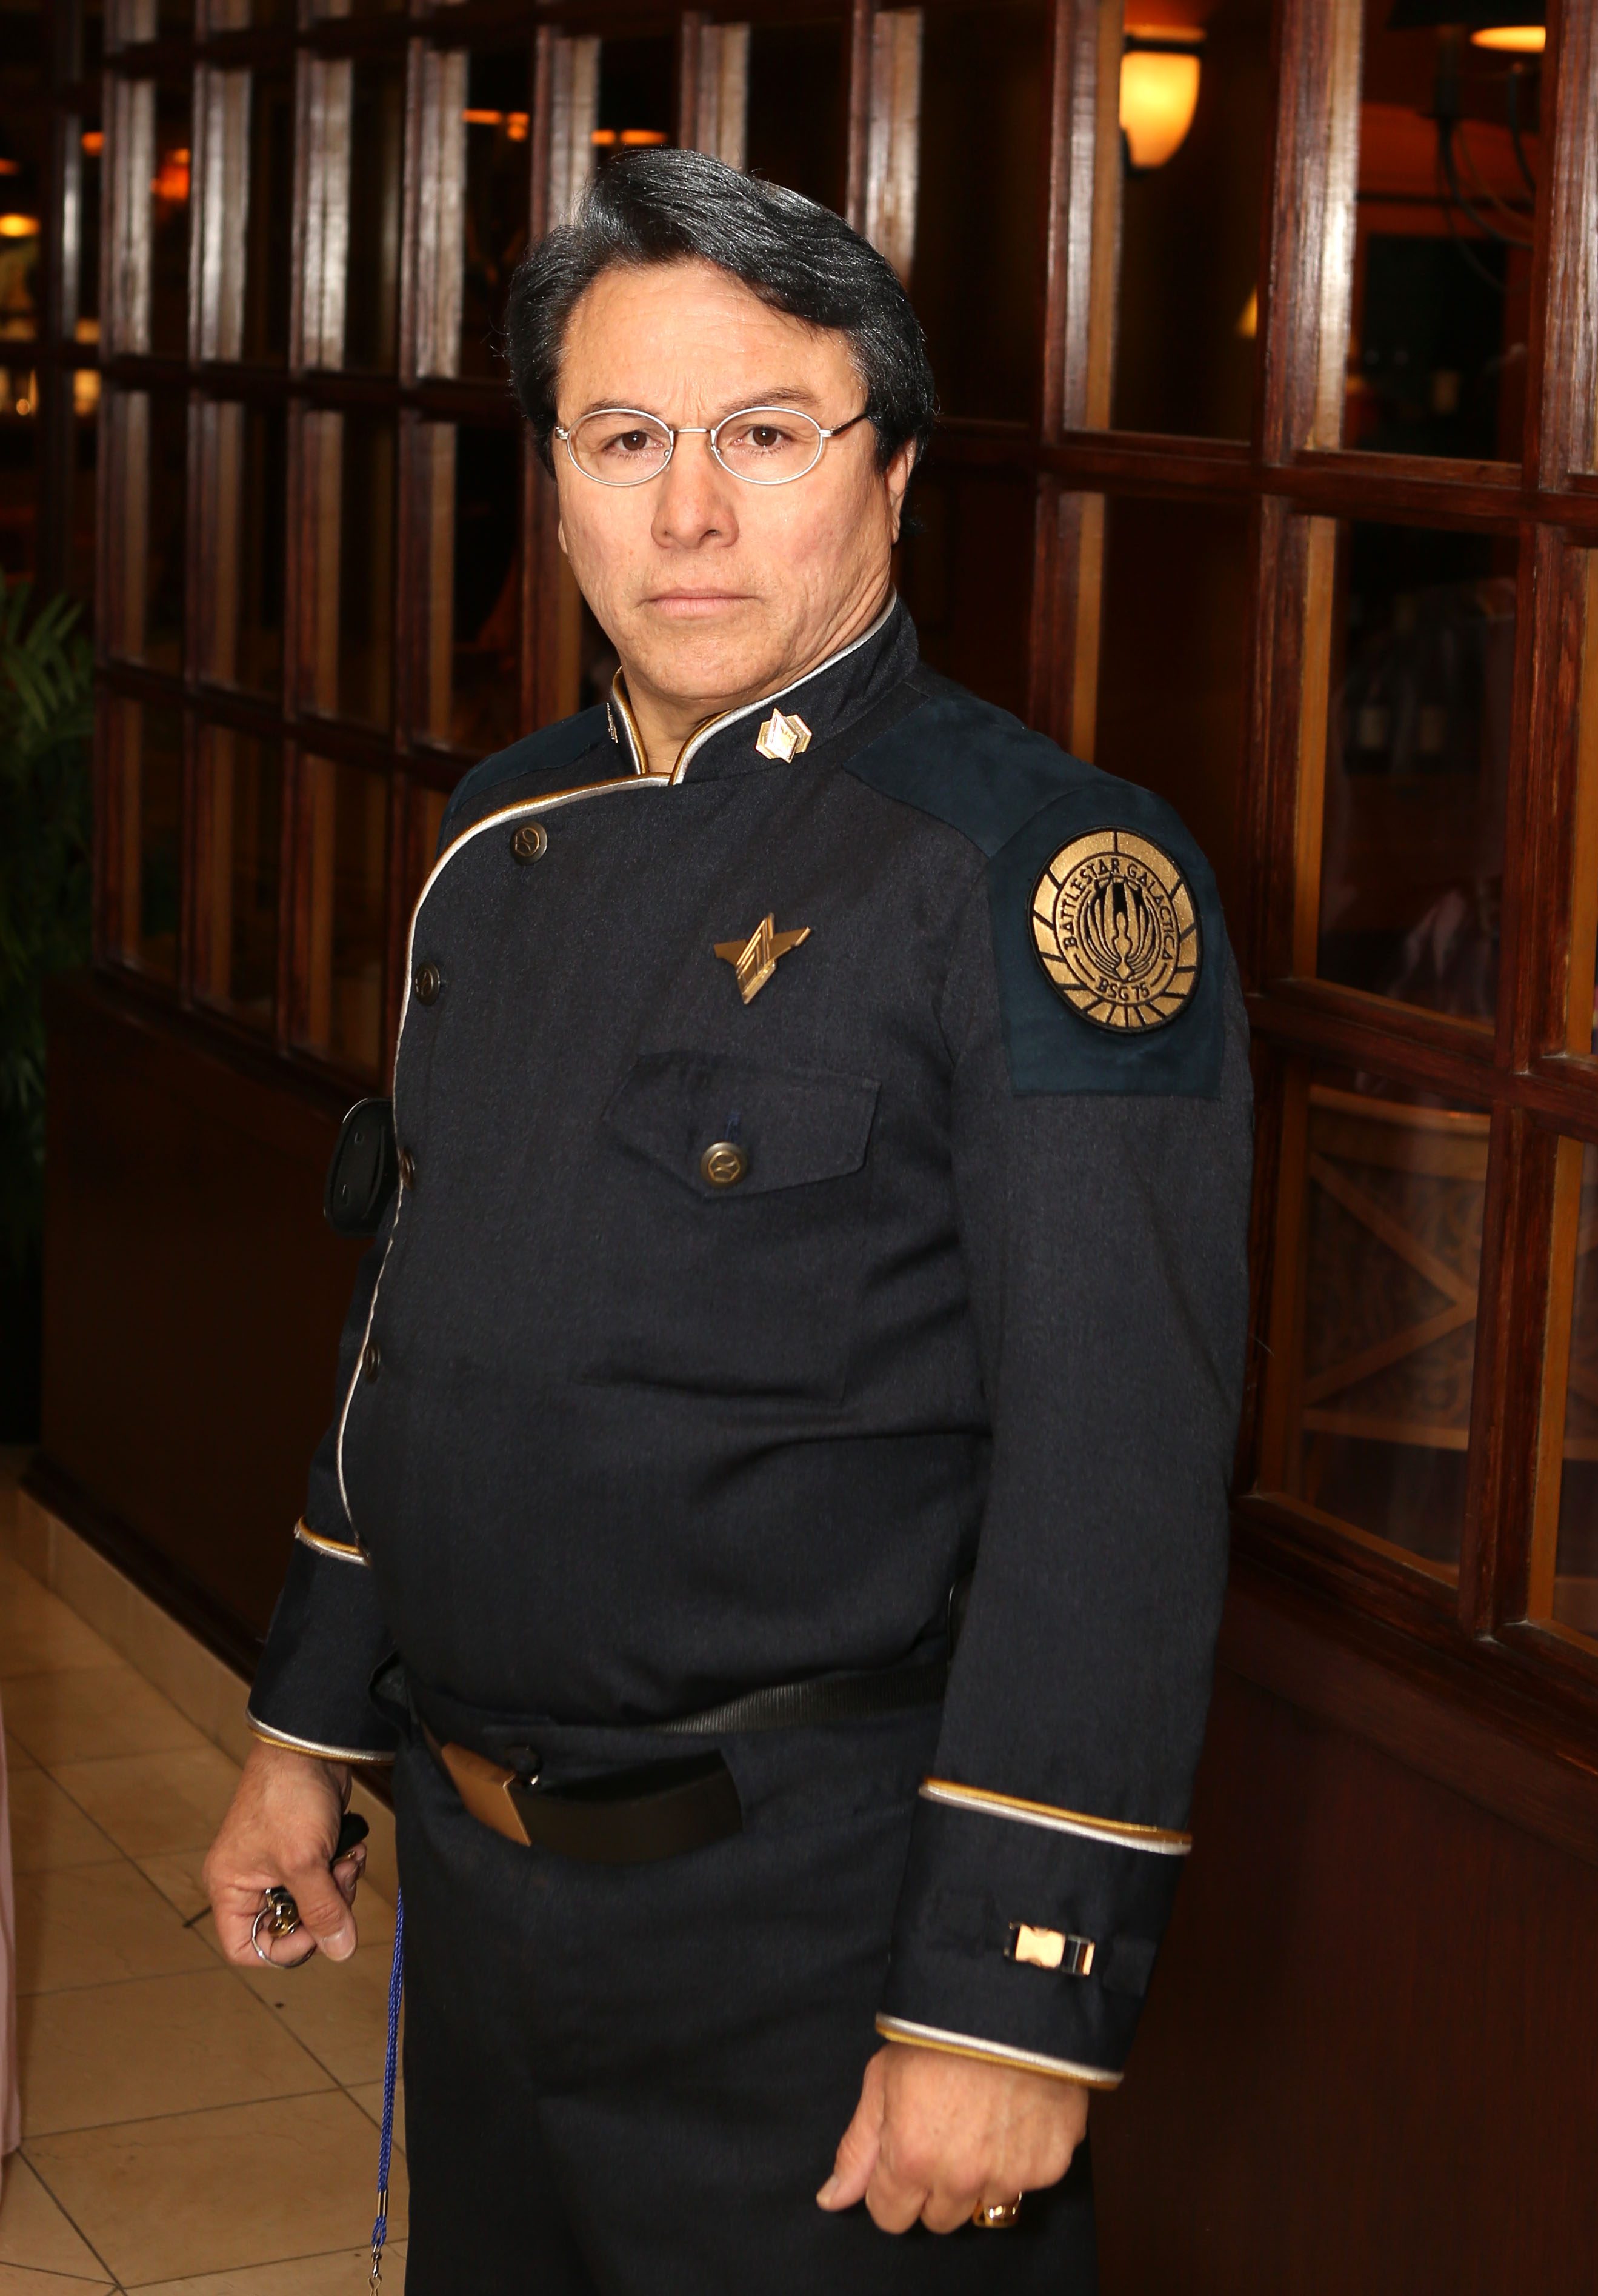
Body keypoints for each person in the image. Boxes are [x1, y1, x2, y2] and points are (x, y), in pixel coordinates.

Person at [204, 149, 1252, 2293]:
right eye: (622, 440)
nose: (685, 513)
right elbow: (417, 1324)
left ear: (891, 470)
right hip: (481, 1900)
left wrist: (1006, 2002)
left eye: (765, 435)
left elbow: (1115, 1480)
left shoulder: (1041, 877)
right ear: (555, 481)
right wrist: (307, 1727)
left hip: (817, 1936)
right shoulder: (500, 831)